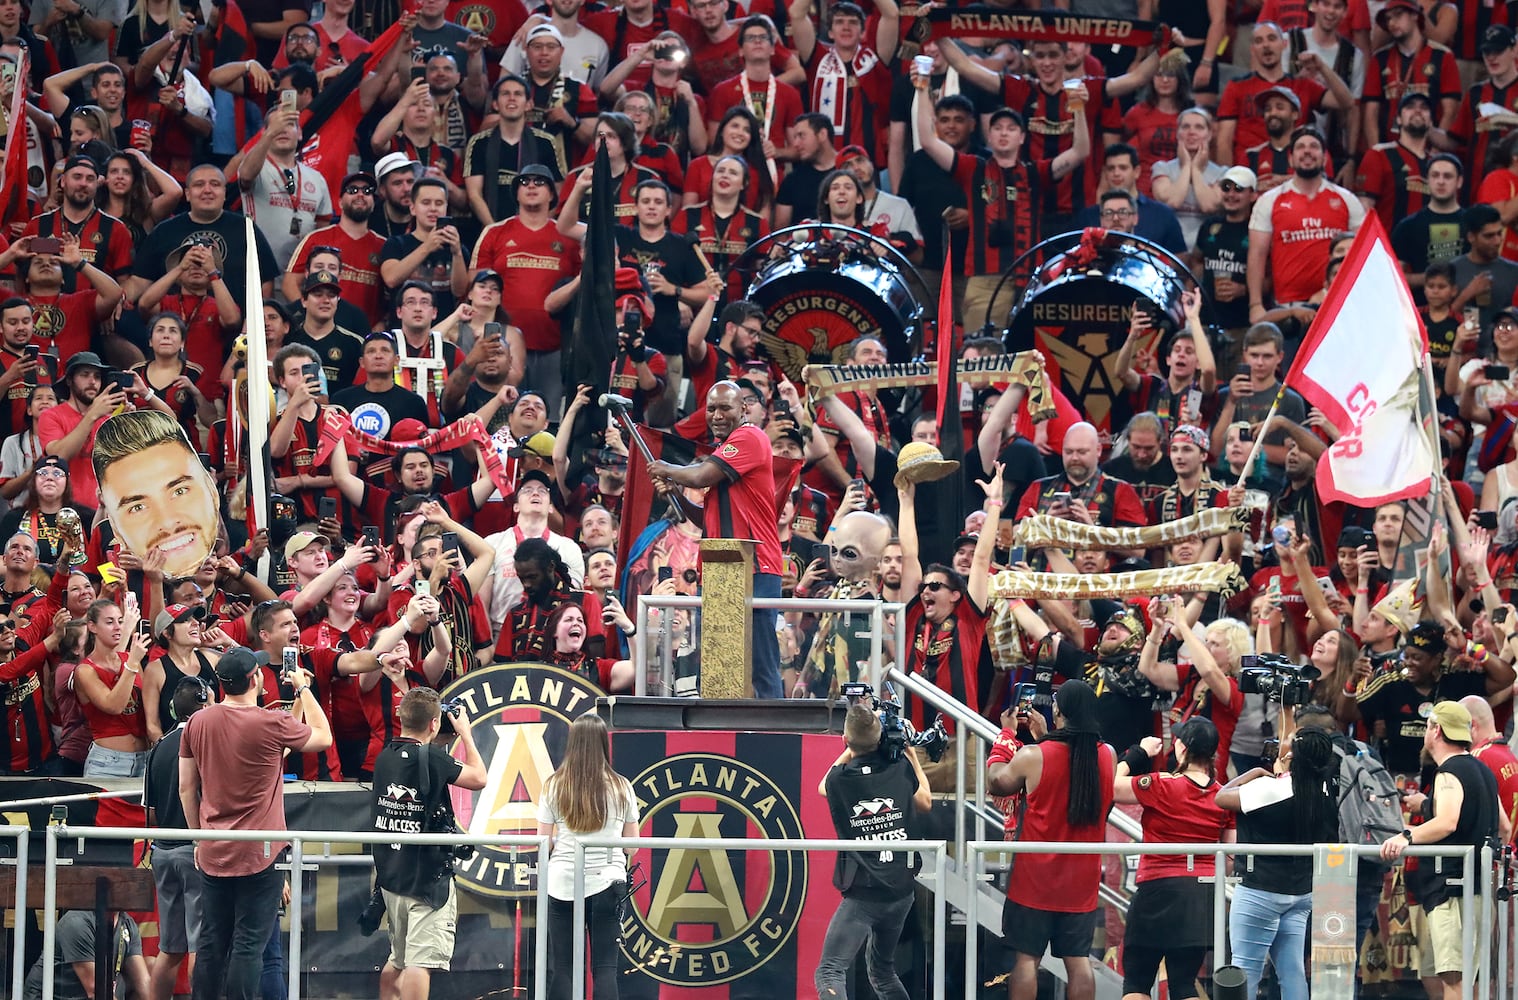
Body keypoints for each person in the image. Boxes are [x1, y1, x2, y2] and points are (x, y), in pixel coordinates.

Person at [179, 646, 331, 1000]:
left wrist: (198, 839)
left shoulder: (199, 721)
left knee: (212, 942)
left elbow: (187, 787)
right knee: (249, 944)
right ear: (255, 679)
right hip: (259, 853)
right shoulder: (269, 723)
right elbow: (322, 737)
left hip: (214, 848)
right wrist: (303, 689)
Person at [647, 381, 783, 698]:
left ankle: (776, 731)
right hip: (721, 566)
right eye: (711, 409)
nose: (717, 415)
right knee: (721, 662)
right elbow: (703, 519)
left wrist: (666, 468)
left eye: (726, 408)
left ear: (744, 409)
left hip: (754, 565)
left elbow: (700, 477)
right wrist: (676, 494)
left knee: (760, 660)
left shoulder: (750, 437)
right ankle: (726, 730)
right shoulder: (723, 451)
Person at [988, 680, 1115, 1000]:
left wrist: (1005, 736)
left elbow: (998, 782)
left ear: (1058, 711)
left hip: (1034, 879)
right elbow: (1074, 770)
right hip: (1081, 882)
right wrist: (1046, 735)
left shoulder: (1034, 755)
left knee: (1027, 959)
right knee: (1079, 962)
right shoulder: (1107, 755)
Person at [370, 688, 487, 1000]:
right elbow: (479, 778)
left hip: (392, 874)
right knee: (420, 963)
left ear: (400, 716)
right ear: (435, 723)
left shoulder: (385, 756)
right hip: (427, 877)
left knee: (398, 958)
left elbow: (419, 757)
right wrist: (465, 733)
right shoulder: (433, 758)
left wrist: (436, 740)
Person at [1380, 701, 1500, 1000]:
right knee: (1467, 980)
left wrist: (1407, 835)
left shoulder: (1449, 771)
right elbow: (1506, 827)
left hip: (1452, 889)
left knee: (1453, 980)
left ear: (1436, 730)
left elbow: (1447, 821)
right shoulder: (1482, 770)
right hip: (1478, 888)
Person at [814, 700, 931, 1000]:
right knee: (882, 972)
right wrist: (912, 756)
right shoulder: (900, 769)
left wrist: (852, 745)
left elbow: (822, 785)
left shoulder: (840, 780)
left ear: (845, 741)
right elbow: (925, 801)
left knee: (829, 972)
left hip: (865, 896)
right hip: (902, 893)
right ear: (880, 739)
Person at [1111, 718, 1235, 1000]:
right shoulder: (1223, 795)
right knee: (1184, 985)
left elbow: (1109, 784)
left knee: (1137, 983)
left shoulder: (1162, 785)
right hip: (1201, 895)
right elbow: (1229, 857)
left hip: (1158, 888)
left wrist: (1138, 754)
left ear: (1182, 747)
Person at [1218, 726, 1340, 1000]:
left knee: (1245, 968)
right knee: (1292, 970)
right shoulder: (1325, 794)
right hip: (1300, 893)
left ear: (1293, 756)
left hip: (1260, 890)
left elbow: (1221, 796)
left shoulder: (1270, 788)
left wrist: (1257, 773)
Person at [537, 714, 639, 1000]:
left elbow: (543, 842)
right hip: (608, 882)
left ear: (572, 744)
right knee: (605, 969)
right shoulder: (621, 787)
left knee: (564, 968)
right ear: (603, 744)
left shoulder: (554, 785)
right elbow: (632, 847)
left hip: (561, 882)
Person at [92, 407, 221, 579]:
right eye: (137, 507)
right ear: (115, 526)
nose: (167, 523)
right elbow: (94, 580)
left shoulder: (219, 553)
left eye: (179, 491)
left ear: (212, 491)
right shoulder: (103, 535)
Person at [144, 676, 209, 1000]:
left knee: (170, 947)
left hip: (162, 851)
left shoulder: (158, 748)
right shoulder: (203, 742)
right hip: (193, 851)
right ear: (204, 704)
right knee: (201, 944)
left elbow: (151, 812)